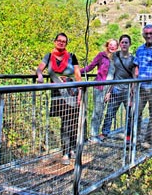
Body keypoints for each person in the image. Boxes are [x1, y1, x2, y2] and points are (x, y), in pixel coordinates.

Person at [36, 33, 82, 165]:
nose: (61, 43)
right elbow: (40, 69)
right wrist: (40, 75)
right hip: (57, 94)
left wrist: (80, 90)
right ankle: (67, 151)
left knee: (71, 121)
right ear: (55, 42)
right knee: (65, 121)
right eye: (59, 41)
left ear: (66, 44)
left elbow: (77, 74)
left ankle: (69, 150)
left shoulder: (72, 57)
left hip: (71, 92)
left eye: (64, 41)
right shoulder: (49, 56)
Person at [80, 38, 118, 143]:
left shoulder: (116, 59)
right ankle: (93, 135)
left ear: (117, 47)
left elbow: (115, 76)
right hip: (99, 87)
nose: (112, 47)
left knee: (101, 111)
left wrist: (110, 92)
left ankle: (96, 134)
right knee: (97, 111)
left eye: (114, 45)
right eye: (110, 44)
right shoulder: (101, 55)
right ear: (107, 45)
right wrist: (77, 72)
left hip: (108, 88)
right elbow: (90, 67)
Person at [101, 34, 135, 144]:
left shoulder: (133, 59)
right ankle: (104, 133)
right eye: (122, 42)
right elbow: (111, 74)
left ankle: (129, 135)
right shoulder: (114, 56)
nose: (124, 44)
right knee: (110, 112)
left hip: (127, 90)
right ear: (119, 44)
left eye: (126, 42)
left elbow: (135, 76)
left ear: (129, 44)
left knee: (130, 114)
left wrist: (132, 94)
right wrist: (108, 92)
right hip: (115, 89)